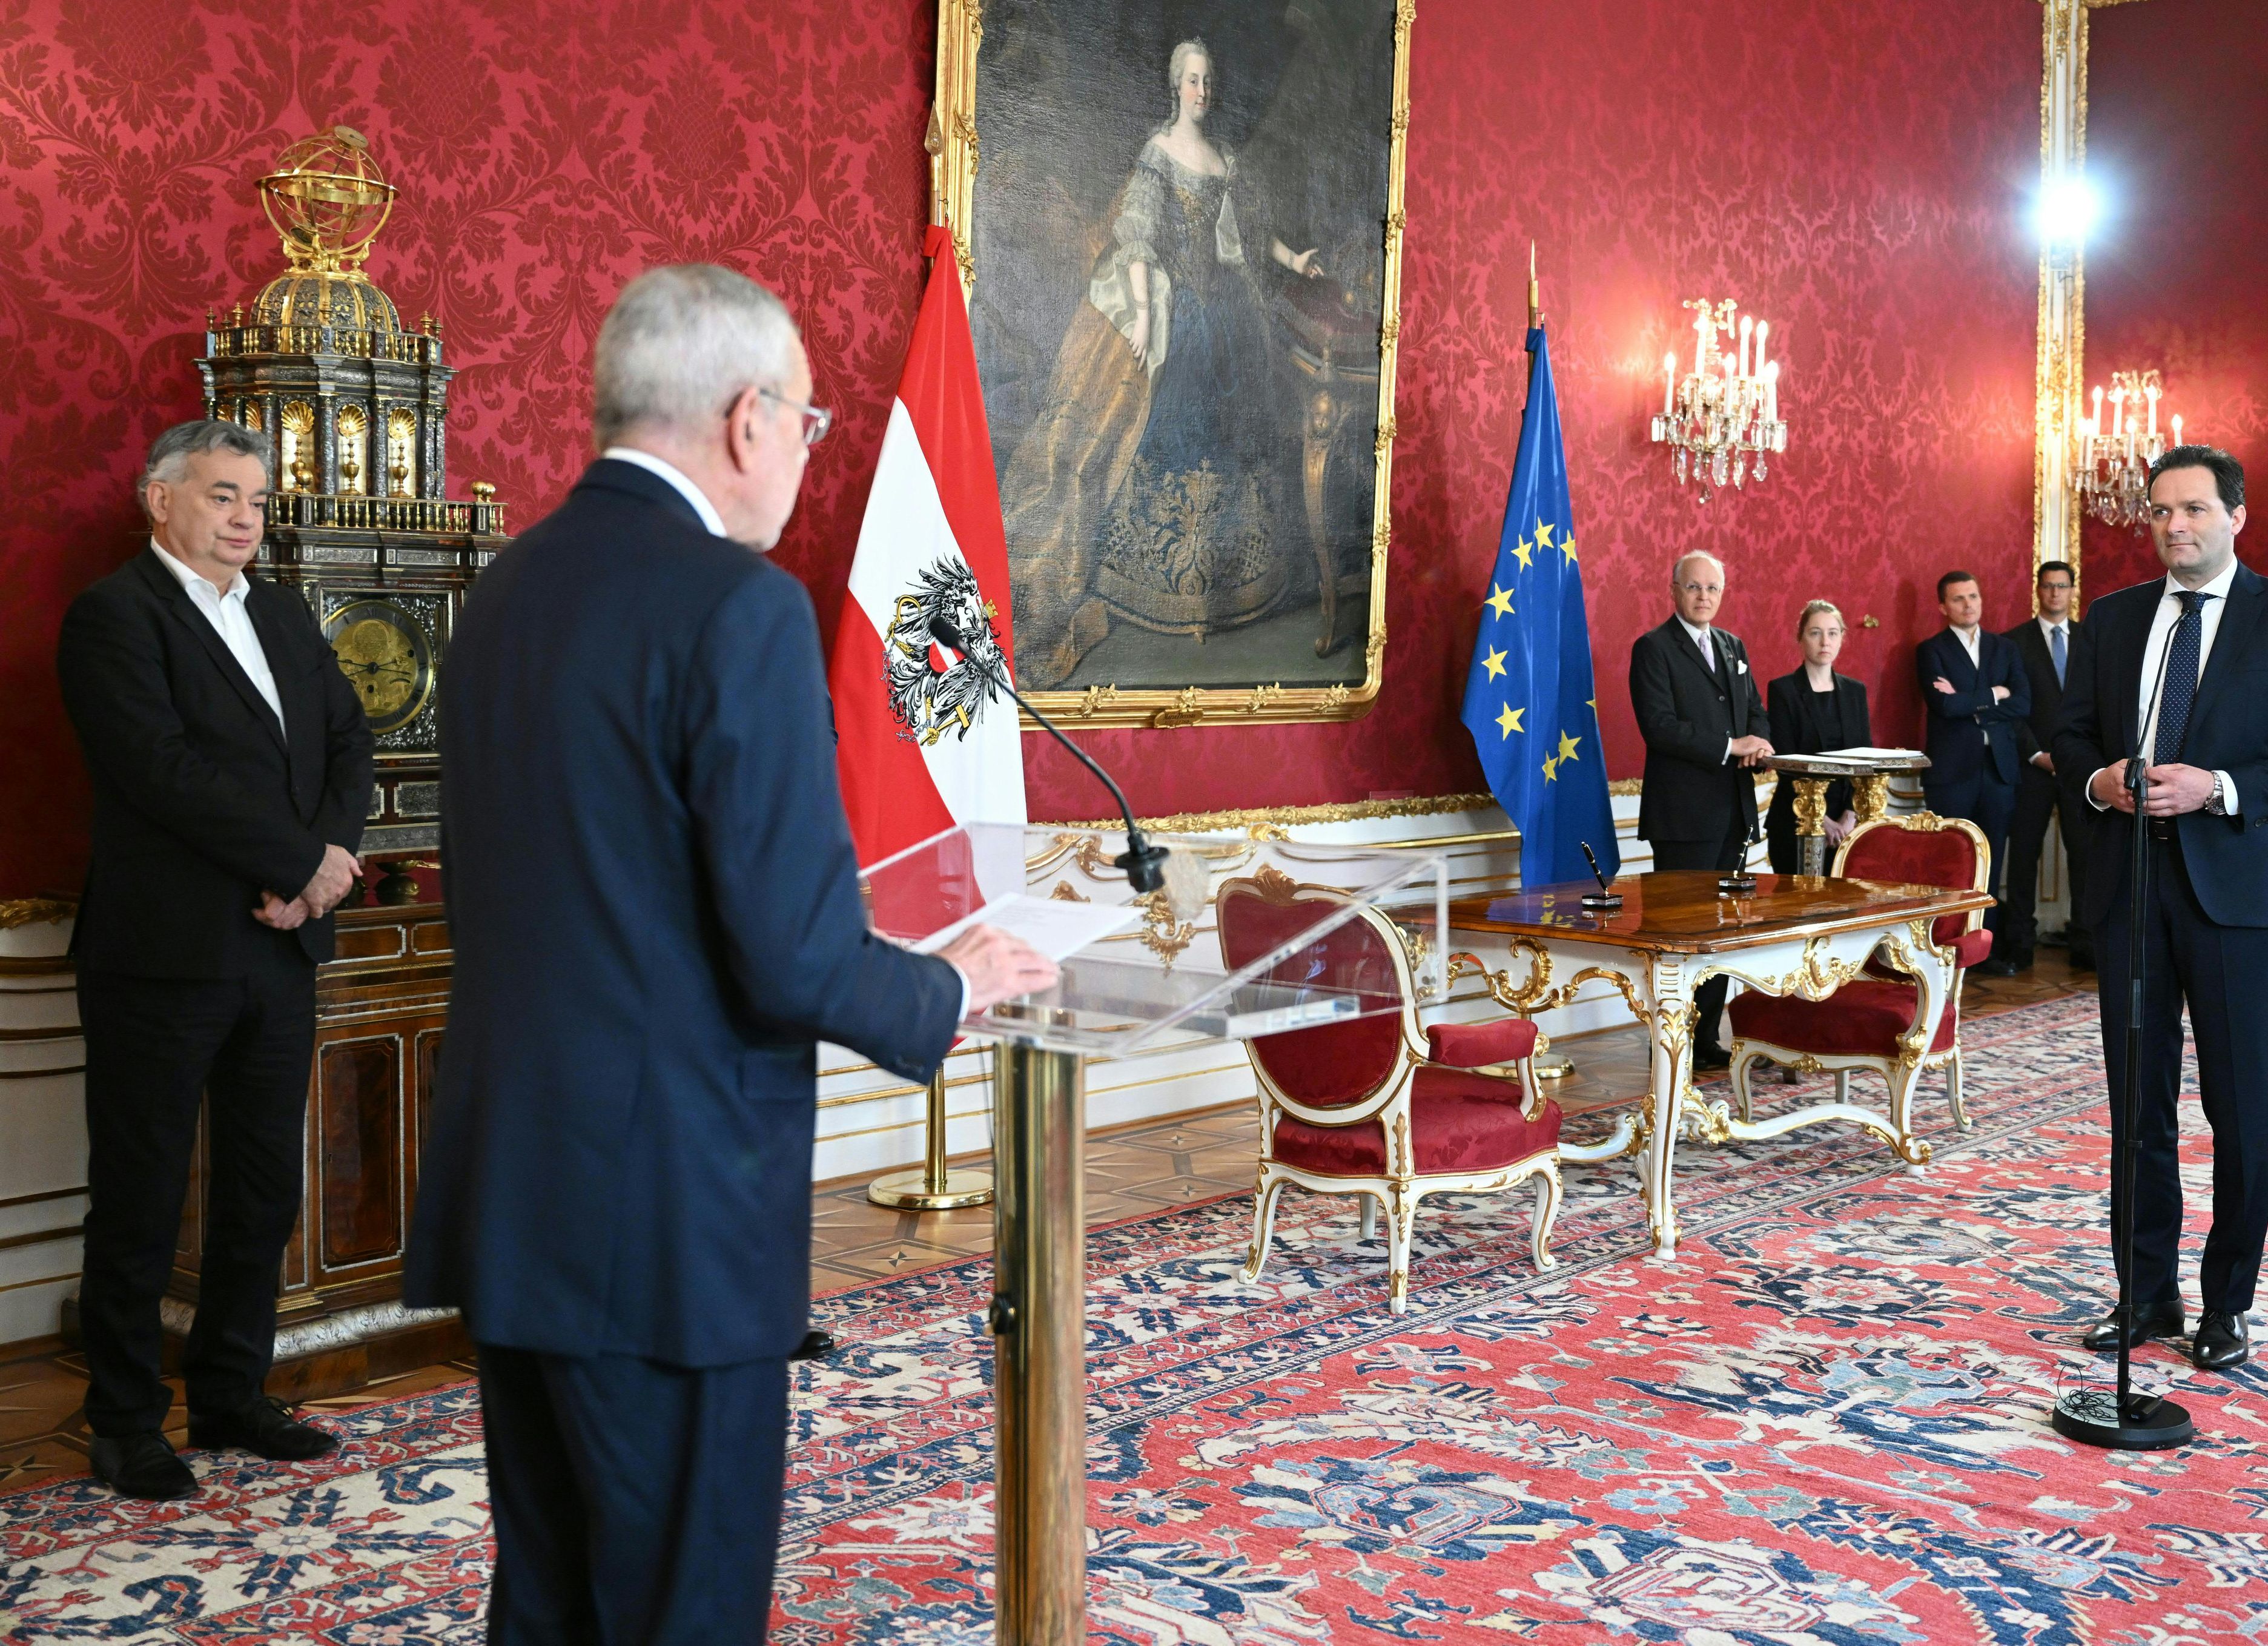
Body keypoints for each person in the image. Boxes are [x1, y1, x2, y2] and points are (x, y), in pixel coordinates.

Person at [403, 265, 1059, 1643]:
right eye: (814, 429)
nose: (807, 465)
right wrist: (955, 979)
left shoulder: (506, 587)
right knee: (679, 1608)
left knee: (548, 1596)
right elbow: (790, 956)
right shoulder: (736, 607)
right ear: (750, 417)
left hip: (513, 1182)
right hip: (665, 1216)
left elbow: (604, 888)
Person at [55, 420, 373, 1501]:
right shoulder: (112, 617)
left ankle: (232, 1395)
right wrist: (298, 861)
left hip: (282, 952)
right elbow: (161, 771)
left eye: (257, 501)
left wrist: (326, 864)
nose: (246, 518)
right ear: (161, 499)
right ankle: (127, 1424)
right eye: (224, 495)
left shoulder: (281, 610)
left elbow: (347, 737)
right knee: (141, 1198)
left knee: (260, 1188)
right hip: (163, 955)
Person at [2052, 444, 2268, 1371]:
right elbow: (2065, 740)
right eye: (2160, 511)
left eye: (2193, 509)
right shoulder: (2112, 619)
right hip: (2129, 889)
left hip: (2235, 902)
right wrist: (2101, 780)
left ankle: (2228, 1304)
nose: (2174, 526)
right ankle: (2144, 1296)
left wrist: (2217, 785)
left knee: (2236, 1107)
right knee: (2138, 1109)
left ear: (2237, 516)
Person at [1001, 37, 1332, 685]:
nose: (1202, 92)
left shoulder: (1225, 159)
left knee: (1234, 436)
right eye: (1192, 81)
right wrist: (1148, 314)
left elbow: (1245, 231)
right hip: (1175, 310)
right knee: (1167, 428)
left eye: (1208, 81)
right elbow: (1137, 237)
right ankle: (1155, 578)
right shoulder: (1158, 154)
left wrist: (1295, 261)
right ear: (1175, 86)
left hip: (1228, 311)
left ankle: (1225, 580)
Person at [1630, 550, 1773, 1071]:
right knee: (1681, 940)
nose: (1704, 597)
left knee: (1721, 936)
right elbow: (1660, 727)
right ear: (1674, 590)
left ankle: (1708, 1038)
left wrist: (1759, 745)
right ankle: (1671, 1043)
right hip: (1683, 817)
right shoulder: (1653, 649)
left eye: (1713, 588)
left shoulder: (1733, 646)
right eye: (1694, 588)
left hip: (1734, 811)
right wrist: (1732, 745)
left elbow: (1755, 710)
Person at [1916, 569, 2029, 973]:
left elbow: (2023, 704)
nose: (1969, 605)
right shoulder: (1931, 650)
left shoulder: (2005, 649)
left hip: (1998, 770)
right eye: (1959, 599)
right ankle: (1945, 950)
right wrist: (1994, 695)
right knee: (1952, 861)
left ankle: (1985, 954)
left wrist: (1969, 700)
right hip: (1952, 771)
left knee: (1991, 861)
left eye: (1974, 597)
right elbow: (1943, 707)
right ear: (1943, 606)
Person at [2003, 560, 2094, 972]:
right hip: (2031, 766)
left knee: (2085, 856)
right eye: (2048, 587)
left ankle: (2086, 942)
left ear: (2073, 591)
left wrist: (2079, 759)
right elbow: (2012, 711)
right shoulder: (2013, 643)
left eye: (2062, 587)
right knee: (2023, 857)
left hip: (2080, 770)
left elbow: (2098, 705)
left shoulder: (2090, 639)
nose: (2055, 594)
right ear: (2037, 591)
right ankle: (2020, 941)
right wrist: (2037, 754)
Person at [1763, 599, 1873, 873]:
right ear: (1801, 638)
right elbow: (1786, 764)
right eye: (1815, 633)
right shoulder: (1783, 690)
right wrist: (1820, 819)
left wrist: (1849, 815)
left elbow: (1865, 757)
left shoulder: (1855, 691)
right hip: (1796, 819)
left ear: (1842, 638)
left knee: (1846, 908)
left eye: (1833, 633)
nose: (1825, 641)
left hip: (1849, 825)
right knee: (1798, 910)